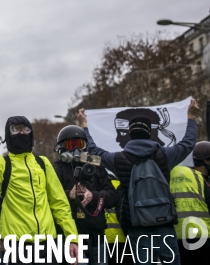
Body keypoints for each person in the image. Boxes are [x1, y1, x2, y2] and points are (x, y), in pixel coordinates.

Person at [79, 99, 200, 265]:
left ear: (130, 134)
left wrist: (85, 126)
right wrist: (191, 117)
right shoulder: (164, 155)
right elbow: (188, 144)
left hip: (137, 227)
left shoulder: (119, 159)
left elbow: (94, 152)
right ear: (149, 133)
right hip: (164, 223)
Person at [0, 116, 79, 264]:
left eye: (25, 129)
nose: (21, 133)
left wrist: (72, 238)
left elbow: (60, 204)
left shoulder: (43, 163)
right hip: (16, 245)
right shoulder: (1, 163)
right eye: (15, 129)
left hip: (48, 244)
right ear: (8, 133)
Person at [52, 125, 120, 265]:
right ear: (62, 148)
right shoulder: (55, 169)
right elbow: (50, 200)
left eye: (80, 144)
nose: (76, 149)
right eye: (71, 144)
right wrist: (69, 195)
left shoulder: (95, 167)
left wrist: (93, 196)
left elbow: (113, 196)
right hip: (72, 239)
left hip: (97, 236)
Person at [171, 141, 210, 262]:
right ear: (206, 161)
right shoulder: (200, 179)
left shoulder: (173, 174)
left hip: (175, 236)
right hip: (202, 236)